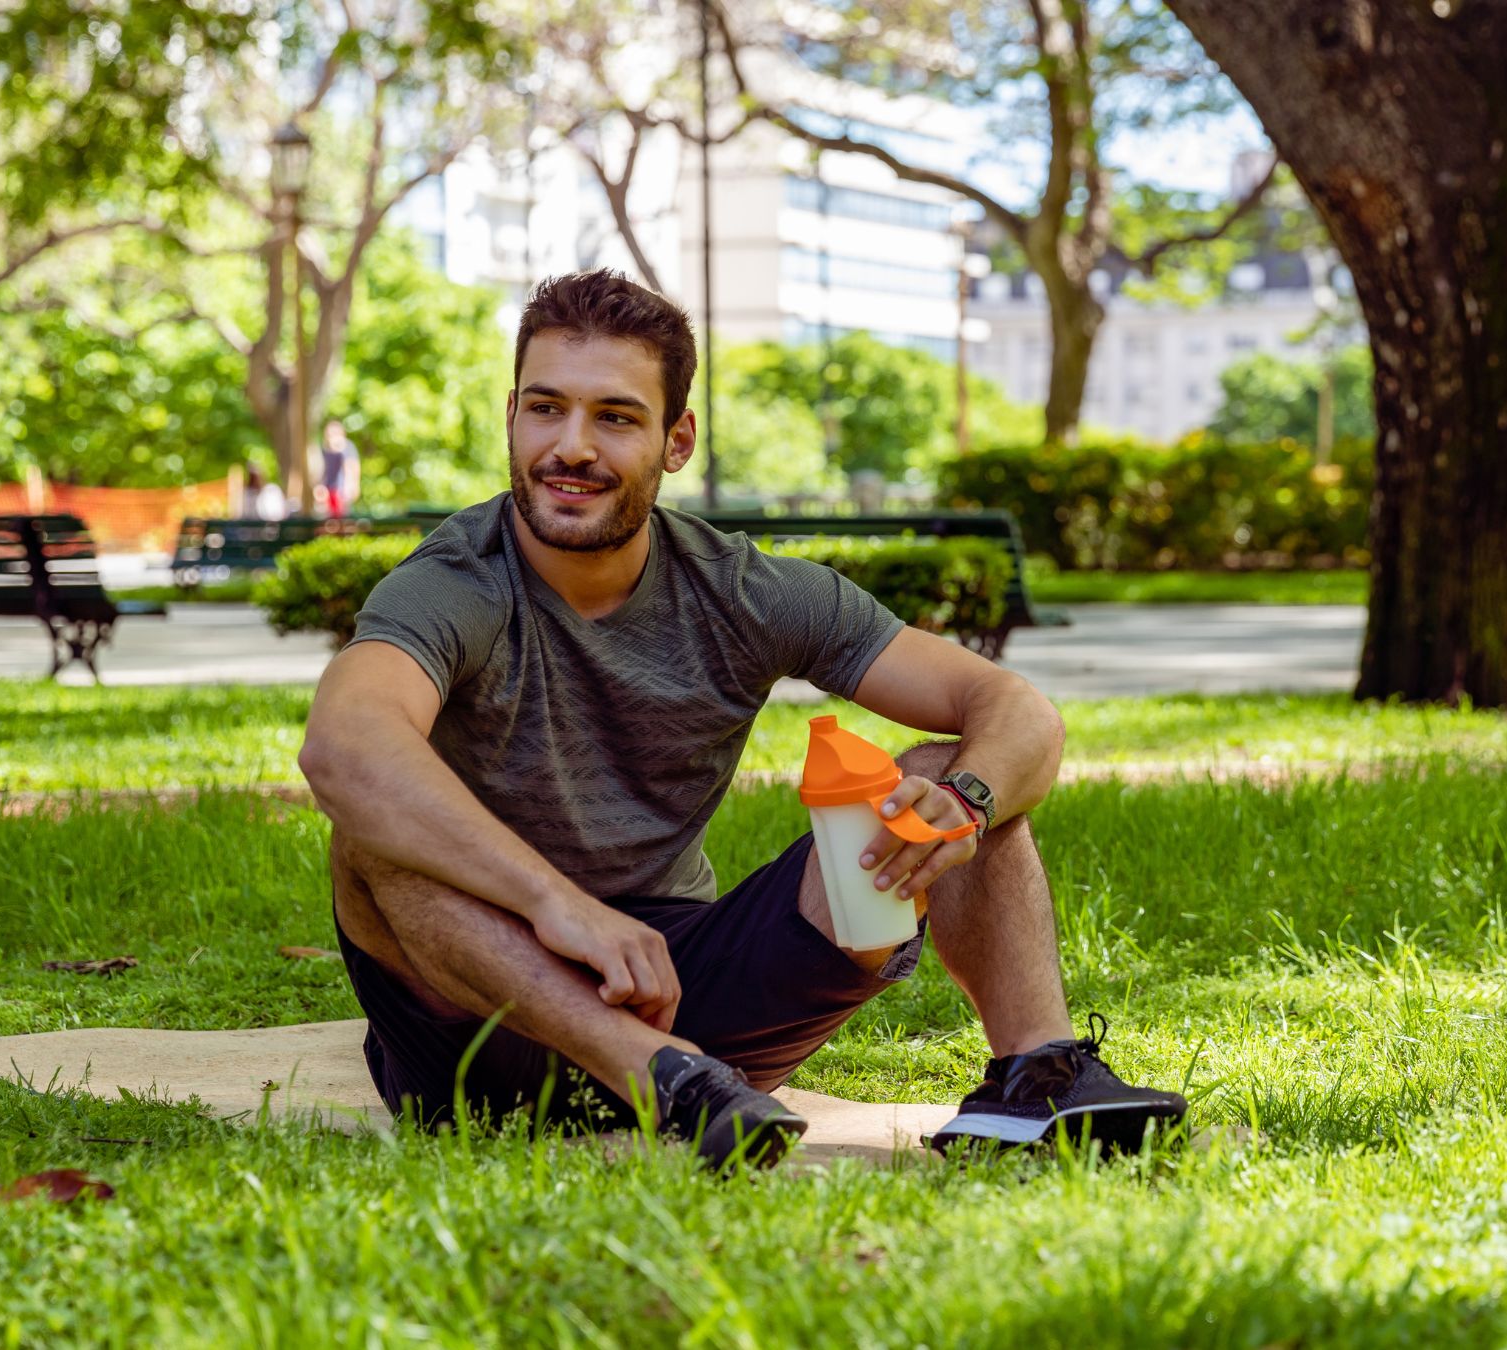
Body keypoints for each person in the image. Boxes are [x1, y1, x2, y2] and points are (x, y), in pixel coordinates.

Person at [298, 270, 1183, 1170]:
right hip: (479, 1037)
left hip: (682, 993)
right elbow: (346, 745)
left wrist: (965, 799)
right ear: (512, 416)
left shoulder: (740, 590)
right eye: (545, 408)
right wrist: (556, 908)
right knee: (371, 843)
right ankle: (657, 1078)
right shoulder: (455, 583)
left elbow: (1015, 708)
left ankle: (1035, 1081)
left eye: (615, 416)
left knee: (954, 761)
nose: (571, 446)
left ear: (675, 440)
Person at [318, 420, 362, 519]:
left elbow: (353, 466)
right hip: (328, 489)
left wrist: (353, 486)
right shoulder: (324, 449)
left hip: (342, 489)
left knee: (344, 517)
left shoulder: (348, 447)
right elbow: (321, 469)